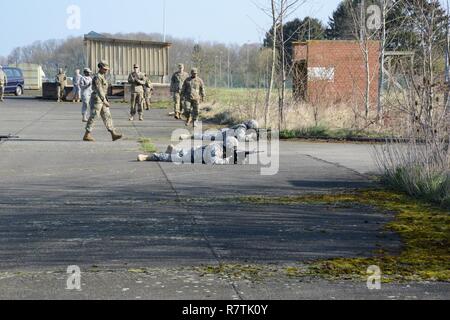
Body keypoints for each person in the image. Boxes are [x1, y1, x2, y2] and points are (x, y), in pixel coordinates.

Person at [83, 61, 122, 142]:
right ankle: (87, 134)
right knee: (94, 116)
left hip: (102, 99)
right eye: (104, 69)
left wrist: (104, 99)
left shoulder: (103, 76)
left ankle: (113, 134)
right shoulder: (97, 77)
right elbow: (99, 89)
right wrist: (104, 100)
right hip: (97, 99)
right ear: (100, 68)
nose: (106, 71)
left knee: (107, 116)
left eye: (106, 69)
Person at [137, 137, 240, 165]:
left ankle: (172, 149)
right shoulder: (216, 149)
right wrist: (229, 160)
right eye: (233, 148)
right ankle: (146, 157)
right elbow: (213, 161)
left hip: (192, 151)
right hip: (189, 156)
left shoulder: (220, 146)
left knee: (177, 152)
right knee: (168, 158)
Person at [179, 120, 260, 142]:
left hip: (225, 134)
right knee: (205, 136)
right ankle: (188, 136)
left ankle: (190, 136)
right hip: (222, 135)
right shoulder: (242, 128)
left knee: (206, 135)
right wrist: (251, 138)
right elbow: (241, 138)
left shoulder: (242, 127)